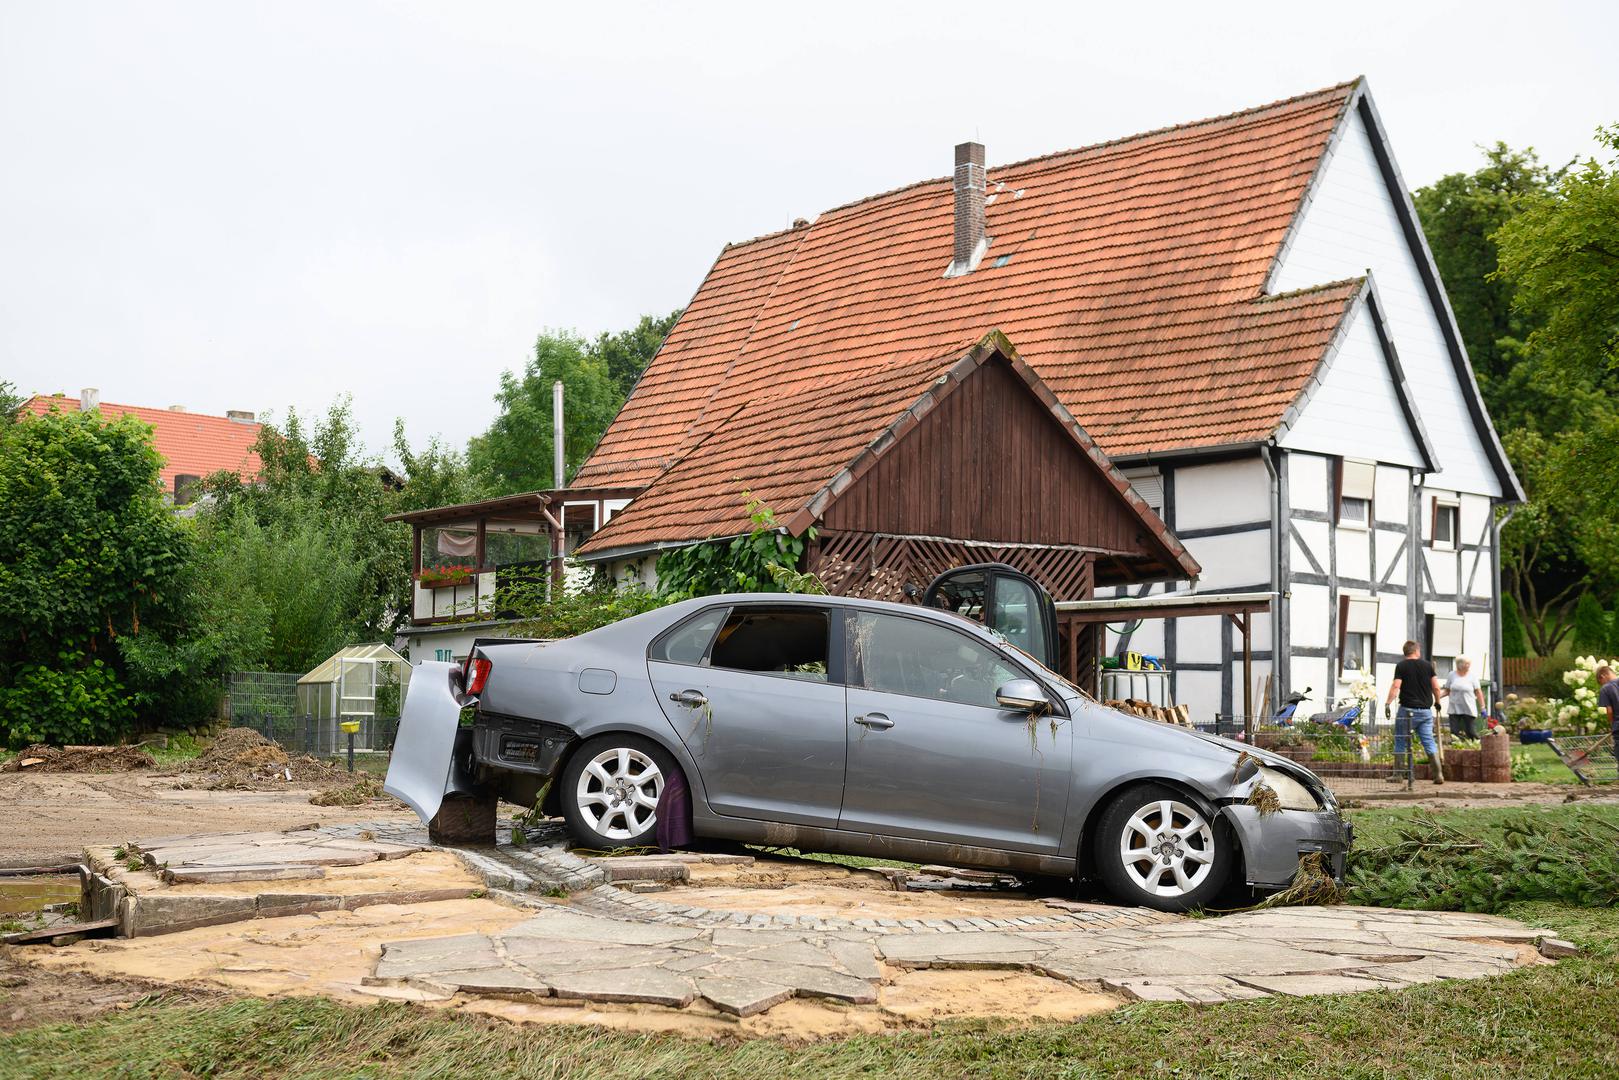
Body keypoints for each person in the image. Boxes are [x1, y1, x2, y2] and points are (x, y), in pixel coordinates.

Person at [1385, 640, 1444, 784]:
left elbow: (1396, 686)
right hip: (1425, 712)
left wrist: (1388, 703)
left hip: (1407, 711)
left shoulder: (1401, 666)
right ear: (1416, 651)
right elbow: (1436, 687)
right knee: (1429, 741)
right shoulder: (1427, 666)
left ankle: (1398, 775)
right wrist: (1437, 702)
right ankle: (1438, 775)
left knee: (1400, 740)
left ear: (1405, 652)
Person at [1440, 657, 1486, 740]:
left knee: (1470, 732)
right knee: (1454, 733)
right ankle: (1456, 750)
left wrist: (1483, 707)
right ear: (1460, 665)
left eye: (1469, 663)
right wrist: (1437, 697)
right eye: (1467, 664)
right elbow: (1447, 691)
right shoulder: (1452, 675)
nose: (1469, 665)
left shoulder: (1472, 676)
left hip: (1468, 708)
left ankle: (1478, 746)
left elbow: (1478, 692)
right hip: (1454, 708)